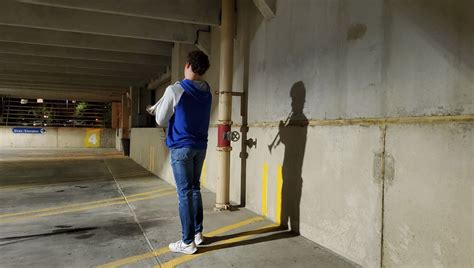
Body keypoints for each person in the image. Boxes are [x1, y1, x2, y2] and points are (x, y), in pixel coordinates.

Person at [147, 51, 211, 255]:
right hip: (200, 146)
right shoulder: (207, 90)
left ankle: (187, 242)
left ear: (188, 65)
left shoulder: (175, 90)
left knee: (184, 193)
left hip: (181, 147)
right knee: (194, 189)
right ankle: (198, 234)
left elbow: (160, 120)